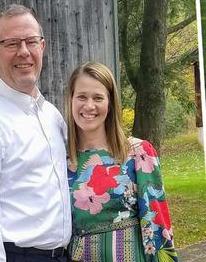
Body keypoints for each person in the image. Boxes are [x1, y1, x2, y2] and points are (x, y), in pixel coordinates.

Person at [0, 3, 72, 262]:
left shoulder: (52, 115)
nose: (24, 52)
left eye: (31, 41)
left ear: (42, 47)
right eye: (12, 44)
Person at [65, 62, 178, 262]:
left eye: (98, 98)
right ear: (71, 100)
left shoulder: (137, 153)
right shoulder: (60, 161)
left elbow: (157, 225)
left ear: (110, 103)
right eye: (81, 96)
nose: (89, 105)